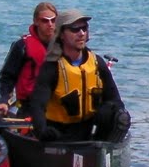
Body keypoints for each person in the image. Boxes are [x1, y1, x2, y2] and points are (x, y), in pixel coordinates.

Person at [26, 9, 130, 143]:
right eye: (75, 29)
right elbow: (37, 105)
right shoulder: (52, 67)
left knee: (118, 114)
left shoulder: (97, 62)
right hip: (60, 133)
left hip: (89, 130)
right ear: (62, 34)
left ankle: (103, 152)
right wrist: (42, 132)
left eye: (84, 28)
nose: (81, 33)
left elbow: (115, 99)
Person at [0, 2, 57, 112]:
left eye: (53, 20)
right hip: (28, 106)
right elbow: (7, 77)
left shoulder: (64, 46)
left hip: (55, 106)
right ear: (36, 22)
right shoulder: (22, 46)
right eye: (45, 20)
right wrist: (4, 100)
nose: (50, 24)